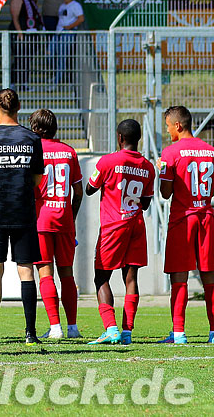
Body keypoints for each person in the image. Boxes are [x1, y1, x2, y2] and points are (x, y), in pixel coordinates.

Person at [0, 89, 45, 346]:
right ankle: (31, 333)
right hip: (24, 212)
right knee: (26, 271)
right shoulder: (32, 139)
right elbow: (37, 179)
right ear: (19, 107)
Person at [85, 119, 155, 346]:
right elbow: (145, 203)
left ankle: (111, 328)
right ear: (139, 138)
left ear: (119, 137)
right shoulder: (148, 166)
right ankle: (127, 332)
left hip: (113, 226)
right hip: (136, 224)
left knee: (101, 276)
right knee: (131, 277)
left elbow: (89, 189)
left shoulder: (108, 161)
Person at [158, 106, 214, 344]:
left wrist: (162, 169)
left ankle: (179, 332)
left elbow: (165, 192)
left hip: (183, 218)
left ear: (178, 126)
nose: (168, 130)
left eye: (168, 126)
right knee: (210, 276)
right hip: (207, 216)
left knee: (179, 276)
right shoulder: (211, 151)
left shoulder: (171, 152)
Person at [30, 109, 83, 340]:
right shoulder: (69, 152)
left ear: (35, 129)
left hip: (41, 219)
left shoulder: (33, 151)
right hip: (64, 218)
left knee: (45, 273)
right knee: (67, 274)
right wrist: (71, 216)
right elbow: (78, 192)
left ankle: (55, 328)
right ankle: (73, 327)